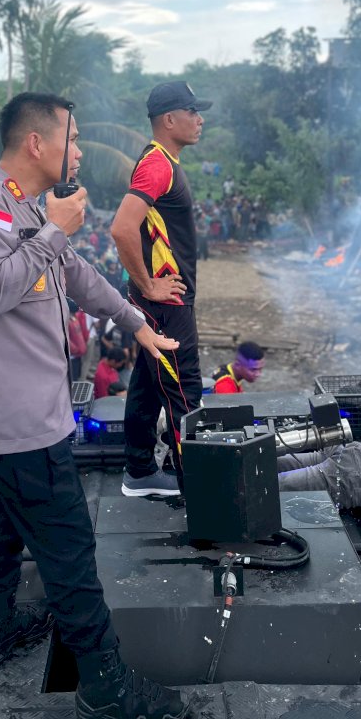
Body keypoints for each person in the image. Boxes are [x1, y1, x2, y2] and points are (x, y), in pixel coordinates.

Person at [0, 92, 194, 719]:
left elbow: (75, 275)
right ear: (38, 144)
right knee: (69, 550)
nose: (79, 150)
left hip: (18, 421)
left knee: (1, 529)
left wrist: (135, 321)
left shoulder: (28, 207)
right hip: (21, 425)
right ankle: (106, 686)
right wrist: (56, 229)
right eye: (73, 138)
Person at [111, 80, 211, 497]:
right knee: (183, 392)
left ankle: (139, 469)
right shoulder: (157, 165)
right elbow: (121, 227)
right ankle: (201, 490)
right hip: (166, 304)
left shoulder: (165, 161)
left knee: (149, 383)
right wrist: (147, 285)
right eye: (193, 111)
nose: (200, 120)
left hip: (167, 303)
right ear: (170, 120)